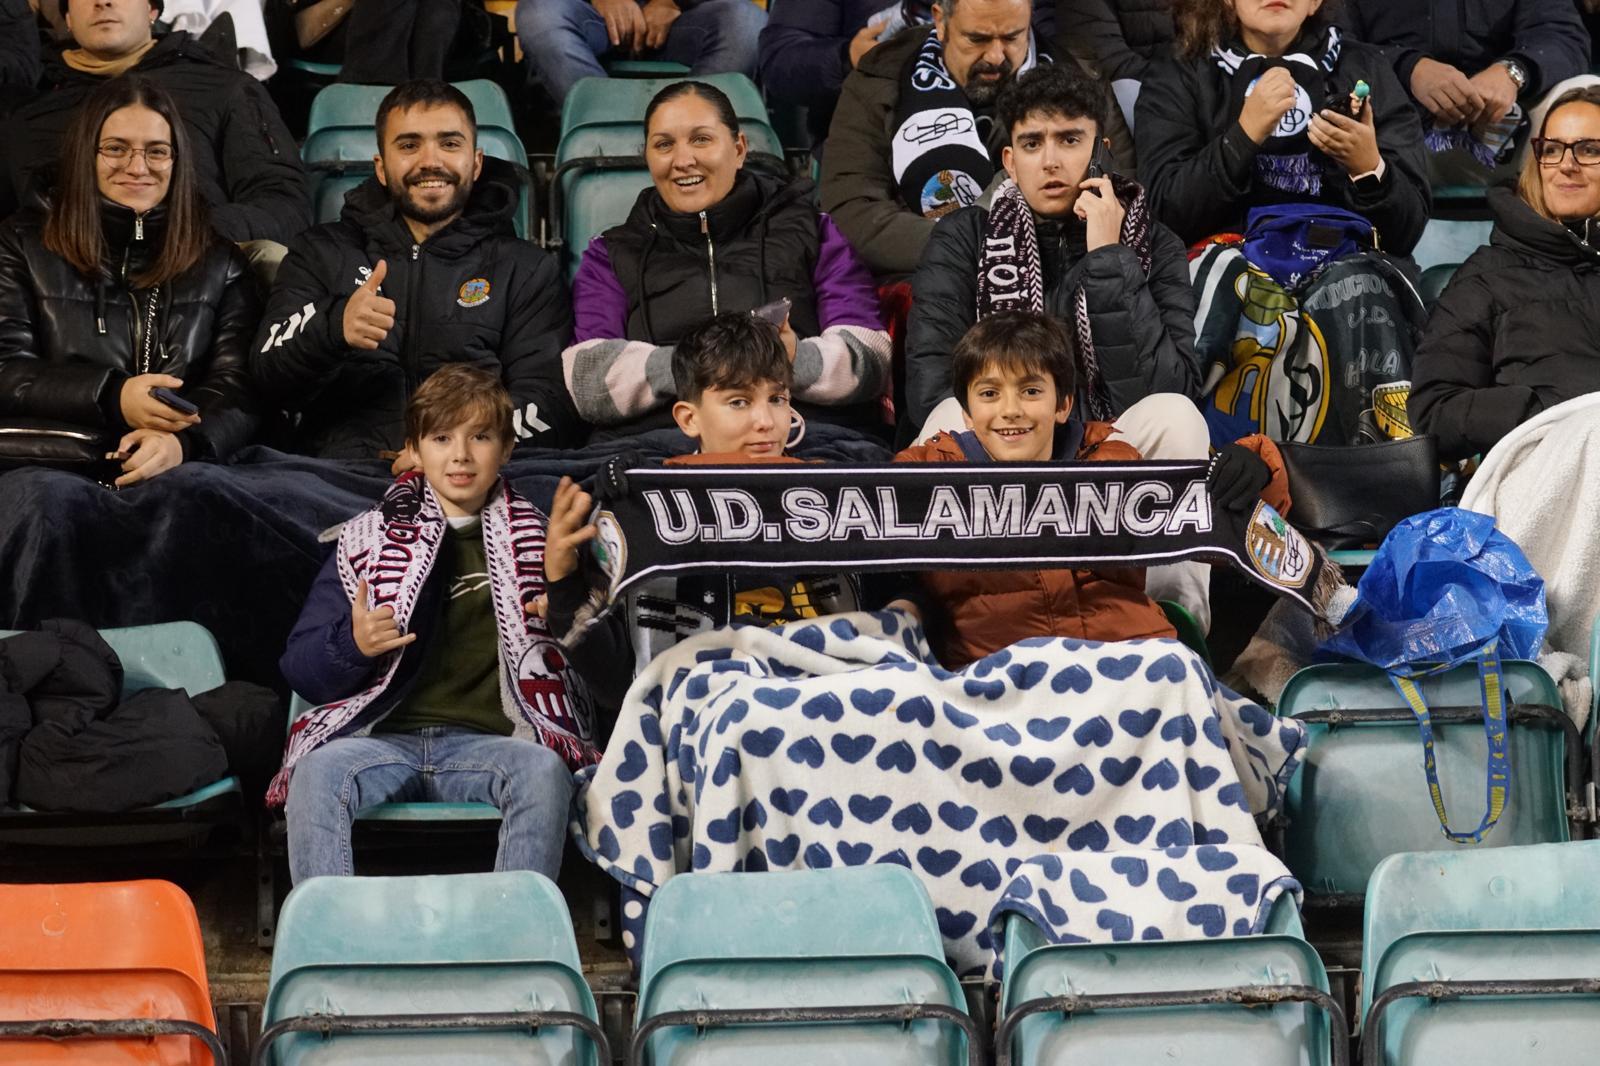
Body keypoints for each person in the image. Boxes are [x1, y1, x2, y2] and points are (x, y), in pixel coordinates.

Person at [276, 365, 599, 884]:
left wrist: (562, 592)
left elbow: (601, 672)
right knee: (317, 773)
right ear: (415, 450)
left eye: (481, 437)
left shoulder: (545, 541)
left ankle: (517, 951)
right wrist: (353, 645)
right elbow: (302, 670)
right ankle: (328, 951)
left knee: (544, 772)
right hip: (381, 742)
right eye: (442, 438)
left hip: (493, 744)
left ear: (508, 449)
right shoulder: (364, 542)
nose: (461, 455)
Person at [895, 311, 1289, 668]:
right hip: (994, 676)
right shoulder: (931, 468)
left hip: (1125, 662)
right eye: (989, 394)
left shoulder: (1114, 459)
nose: (1010, 409)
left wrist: (1258, 469)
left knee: (1174, 411)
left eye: (1031, 391)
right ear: (967, 413)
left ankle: (1182, 626)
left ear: (1063, 405)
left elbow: (1221, 531)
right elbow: (849, 508)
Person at [1136, 0, 1430, 449]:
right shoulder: (1180, 70)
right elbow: (1166, 212)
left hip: (1347, 261)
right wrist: (1242, 136)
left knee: (1356, 287)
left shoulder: (1364, 67)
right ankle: (1218, 469)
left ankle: (1371, 484)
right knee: (1232, 280)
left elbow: (1407, 229)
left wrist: (1368, 167)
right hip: (1228, 259)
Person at [548, 313, 870, 713]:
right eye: (739, 402)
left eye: (778, 398)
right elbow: (618, 686)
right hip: (698, 729)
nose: (766, 422)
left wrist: (907, 604)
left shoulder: (842, 494)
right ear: (688, 418)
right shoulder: (639, 505)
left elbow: (893, 621)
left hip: (833, 719)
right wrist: (562, 582)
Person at [253, 79, 578, 461]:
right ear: (380, 166)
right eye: (409, 145)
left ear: (475, 163)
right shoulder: (321, 251)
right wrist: (334, 327)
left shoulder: (524, 268)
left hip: (471, 484)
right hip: (338, 479)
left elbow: (549, 404)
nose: (430, 161)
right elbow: (265, 377)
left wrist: (453, 453)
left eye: (450, 143)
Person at [564, 80, 891, 443]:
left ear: (738, 149)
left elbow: (870, 358)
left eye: (701, 139)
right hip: (657, 446)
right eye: (664, 145)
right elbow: (588, 380)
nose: (683, 160)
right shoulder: (611, 252)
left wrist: (794, 356)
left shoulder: (813, 230)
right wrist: (714, 365)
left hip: (805, 437)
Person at [906, 63, 1199, 435]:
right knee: (948, 416)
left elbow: (1169, 391)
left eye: (1070, 140)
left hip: (1109, 448)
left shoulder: (1156, 244)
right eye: (1032, 144)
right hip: (998, 439)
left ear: (1103, 154)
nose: (1050, 162)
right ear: (1010, 163)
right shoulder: (962, 237)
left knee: (1176, 417)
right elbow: (929, 386)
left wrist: (1110, 260)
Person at [0, 75, 260, 486]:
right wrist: (112, 396)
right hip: (47, 470)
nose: (137, 168)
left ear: (177, 162)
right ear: (86, 155)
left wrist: (184, 443)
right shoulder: (19, 243)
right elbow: (7, 370)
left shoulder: (220, 262)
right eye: (116, 149)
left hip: (175, 473)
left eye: (157, 152)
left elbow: (237, 386)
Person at [2, 0, 309, 246]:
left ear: (152, 9)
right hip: (63, 294)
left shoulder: (222, 89)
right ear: (67, 19)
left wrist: (186, 235)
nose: (102, 3)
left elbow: (284, 203)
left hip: (204, 282)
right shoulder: (27, 118)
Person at [1410, 87, 1600, 462]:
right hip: (1544, 471)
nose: (1566, 164)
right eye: (1551, 149)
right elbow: (1433, 412)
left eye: (1589, 150)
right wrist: (1549, 410)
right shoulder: (1487, 278)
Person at [820, 0, 1050, 278]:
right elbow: (853, 212)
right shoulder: (879, 79)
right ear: (940, 21)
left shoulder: (1075, 75)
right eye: (977, 39)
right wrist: (974, 247)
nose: (996, 56)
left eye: (1012, 37)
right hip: (917, 280)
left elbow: (1110, 189)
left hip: (1050, 278)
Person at [1340, 0, 1591, 180]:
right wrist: (1408, 69)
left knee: (1588, 96)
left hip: (1501, 131)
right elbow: (1334, 43)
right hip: (1391, 135)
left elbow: (1563, 36)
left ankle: (1578, 247)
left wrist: (1512, 72)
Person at [514, 0, 767, 104]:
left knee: (747, 23)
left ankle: (688, 129)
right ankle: (607, 129)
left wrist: (671, 2)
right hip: (588, 18)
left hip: (684, 22)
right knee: (540, 15)